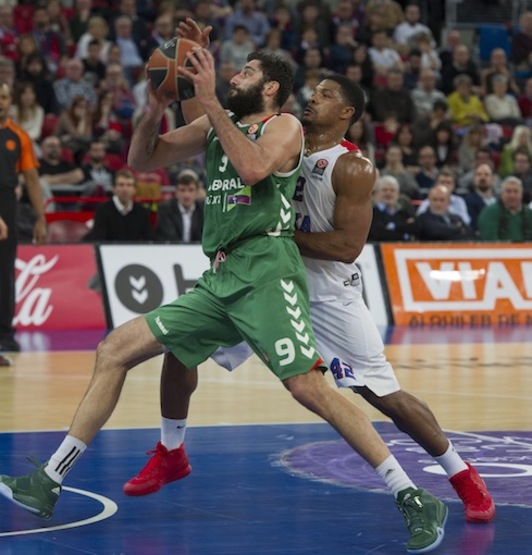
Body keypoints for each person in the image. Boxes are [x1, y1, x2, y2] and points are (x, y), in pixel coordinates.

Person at [0, 46, 449, 555]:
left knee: (309, 389)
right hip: (221, 276)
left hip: (267, 271)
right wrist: (154, 107)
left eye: (247, 72)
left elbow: (255, 168)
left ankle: (411, 494)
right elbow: (141, 158)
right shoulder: (217, 124)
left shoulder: (285, 128)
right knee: (115, 349)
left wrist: (210, 99)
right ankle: (50, 479)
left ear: (271, 87)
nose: (236, 77)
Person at [123, 67, 494, 542]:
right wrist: (198, 70)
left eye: (326, 95)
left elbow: (346, 247)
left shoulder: (351, 166)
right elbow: (216, 128)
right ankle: (171, 450)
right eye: (313, 91)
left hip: (325, 290)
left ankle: (462, 476)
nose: (312, 99)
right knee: (182, 346)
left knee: (385, 397)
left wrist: (270, 232)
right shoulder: (277, 136)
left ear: (347, 113)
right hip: (260, 278)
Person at [0, 83, 47, 353]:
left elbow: (31, 178)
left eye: (4, 97)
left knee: (5, 271)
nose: (1, 102)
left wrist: (41, 219)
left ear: (10, 101)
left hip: (7, 202)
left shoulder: (19, 136)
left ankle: (5, 334)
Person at [82, 169, 155, 242]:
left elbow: (148, 238)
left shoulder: (142, 211)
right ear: (114, 189)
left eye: (129, 185)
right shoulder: (103, 210)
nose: (125, 189)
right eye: (121, 185)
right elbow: (99, 238)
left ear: (134, 190)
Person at [478, 176, 532, 241]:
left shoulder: (529, 213)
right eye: (508, 191)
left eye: (516, 191)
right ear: (501, 194)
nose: (512, 195)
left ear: (521, 194)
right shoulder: (489, 213)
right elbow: (489, 241)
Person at [155, 170, 204, 242]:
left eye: (191, 190)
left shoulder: (203, 210)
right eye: (182, 190)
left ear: (197, 192)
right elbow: (169, 236)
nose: (186, 195)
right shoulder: (165, 209)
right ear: (176, 192)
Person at [368, 175, 417, 241]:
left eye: (392, 190)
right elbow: (377, 233)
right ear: (377, 193)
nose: (388, 193)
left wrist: (392, 226)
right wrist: (403, 231)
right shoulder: (371, 213)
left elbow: (414, 228)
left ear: (398, 194)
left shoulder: (404, 214)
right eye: (384, 190)